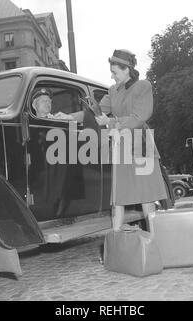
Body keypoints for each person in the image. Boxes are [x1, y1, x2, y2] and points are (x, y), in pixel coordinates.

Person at [58, 49, 167, 232]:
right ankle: (116, 240)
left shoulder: (143, 86)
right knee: (119, 198)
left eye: (114, 71)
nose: (112, 75)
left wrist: (111, 122)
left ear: (127, 69)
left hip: (141, 145)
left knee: (147, 198)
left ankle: (154, 241)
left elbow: (140, 116)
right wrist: (69, 117)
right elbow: (94, 112)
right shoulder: (113, 90)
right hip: (121, 146)